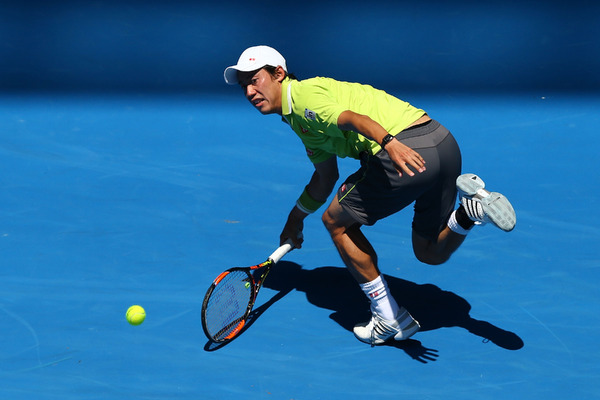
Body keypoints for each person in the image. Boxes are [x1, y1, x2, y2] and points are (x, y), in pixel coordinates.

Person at [223, 45, 516, 346]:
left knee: (336, 222)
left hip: (401, 149)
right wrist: (295, 218)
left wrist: (389, 143)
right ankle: (471, 213)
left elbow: (351, 118)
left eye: (254, 79)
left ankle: (388, 316)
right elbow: (325, 178)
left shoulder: (303, 98)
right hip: (442, 143)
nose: (249, 91)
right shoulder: (301, 121)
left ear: (278, 74)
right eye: (244, 85)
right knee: (430, 253)